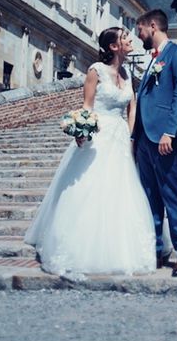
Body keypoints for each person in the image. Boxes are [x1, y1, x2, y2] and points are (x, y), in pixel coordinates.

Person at [24, 27, 156, 280]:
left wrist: (130, 136)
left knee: (121, 189)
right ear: (113, 47)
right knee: (90, 187)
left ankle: (117, 242)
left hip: (119, 137)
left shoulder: (128, 73)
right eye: (125, 39)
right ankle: (79, 244)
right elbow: (87, 105)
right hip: (99, 134)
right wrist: (81, 129)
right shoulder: (96, 70)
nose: (131, 41)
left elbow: (132, 108)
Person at [132, 9, 177, 277]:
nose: (139, 35)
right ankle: (157, 251)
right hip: (145, 140)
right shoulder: (152, 60)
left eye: (140, 30)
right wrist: (135, 138)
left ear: (153, 26)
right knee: (151, 197)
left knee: (172, 195)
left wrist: (170, 132)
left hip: (165, 138)